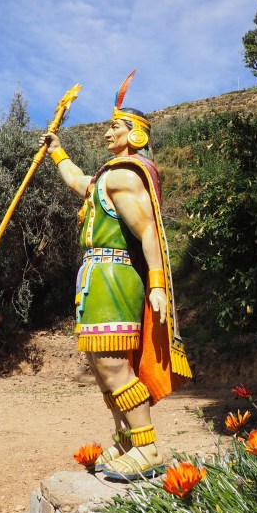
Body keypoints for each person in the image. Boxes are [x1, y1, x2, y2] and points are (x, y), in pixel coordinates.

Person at [41, 71, 192, 480]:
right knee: (99, 364)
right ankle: (125, 440)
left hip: (114, 275)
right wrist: (57, 151)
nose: (108, 133)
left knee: (113, 365)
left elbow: (148, 231)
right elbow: (79, 181)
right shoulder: (106, 177)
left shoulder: (125, 175)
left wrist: (158, 285)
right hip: (94, 276)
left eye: (116, 127)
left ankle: (147, 448)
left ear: (135, 135)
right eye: (109, 127)